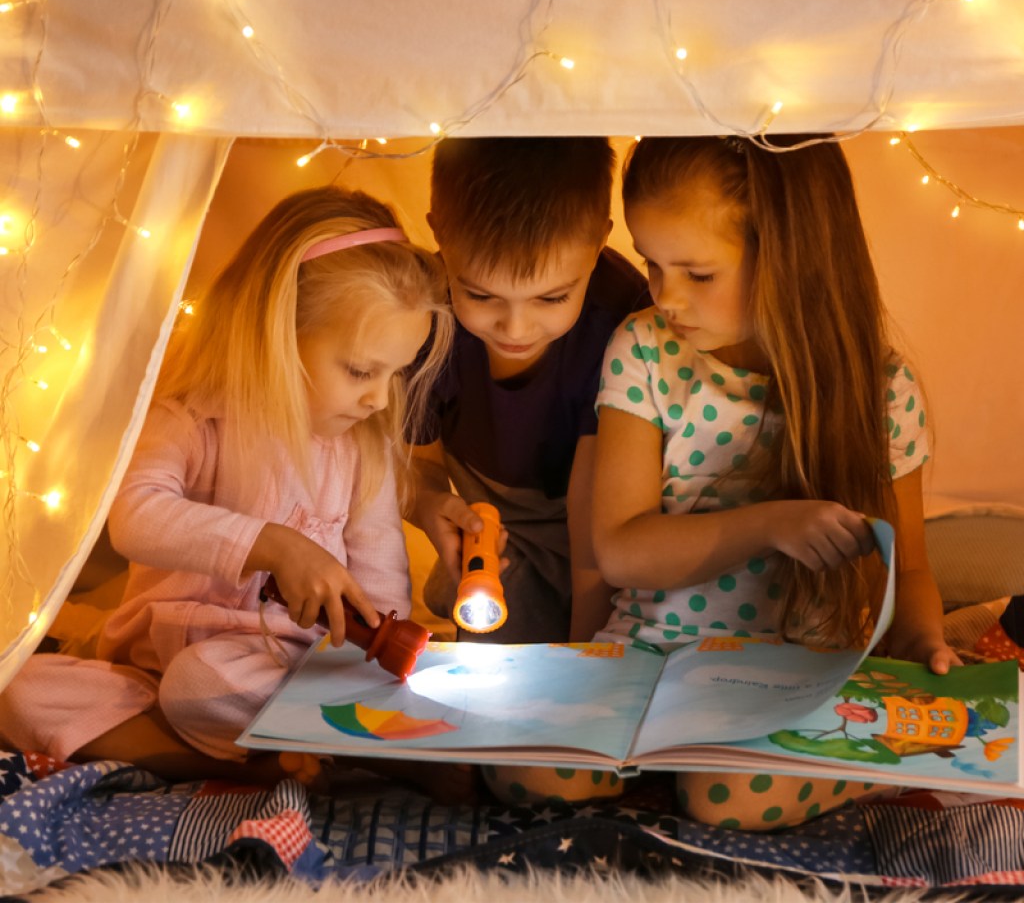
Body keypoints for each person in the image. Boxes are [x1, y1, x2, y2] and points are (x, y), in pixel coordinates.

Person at [485, 133, 959, 824]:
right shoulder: (643, 348)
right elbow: (619, 548)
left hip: (790, 672)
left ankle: (873, 757)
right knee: (523, 768)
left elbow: (909, 569)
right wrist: (771, 523)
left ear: (792, 258)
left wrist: (920, 645)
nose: (665, 295)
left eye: (697, 273)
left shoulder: (880, 389)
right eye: (650, 263)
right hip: (646, 657)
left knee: (726, 796)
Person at [0, 186, 454, 786]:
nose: (378, 398)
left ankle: (260, 747)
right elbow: (135, 515)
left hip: (272, 672)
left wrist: (377, 656)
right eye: (361, 371)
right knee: (17, 684)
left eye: (396, 374)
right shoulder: (188, 419)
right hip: (151, 672)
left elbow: (379, 588)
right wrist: (274, 545)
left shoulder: (359, 449)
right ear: (274, 334)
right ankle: (267, 760)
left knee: (205, 682)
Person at [407, 137, 649, 644]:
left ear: (600, 243)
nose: (515, 328)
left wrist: (586, 655)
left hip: (608, 534)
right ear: (439, 234)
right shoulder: (421, 319)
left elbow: (594, 534)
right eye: (480, 294)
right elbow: (415, 462)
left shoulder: (621, 322)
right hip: (497, 541)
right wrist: (426, 504)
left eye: (552, 297)